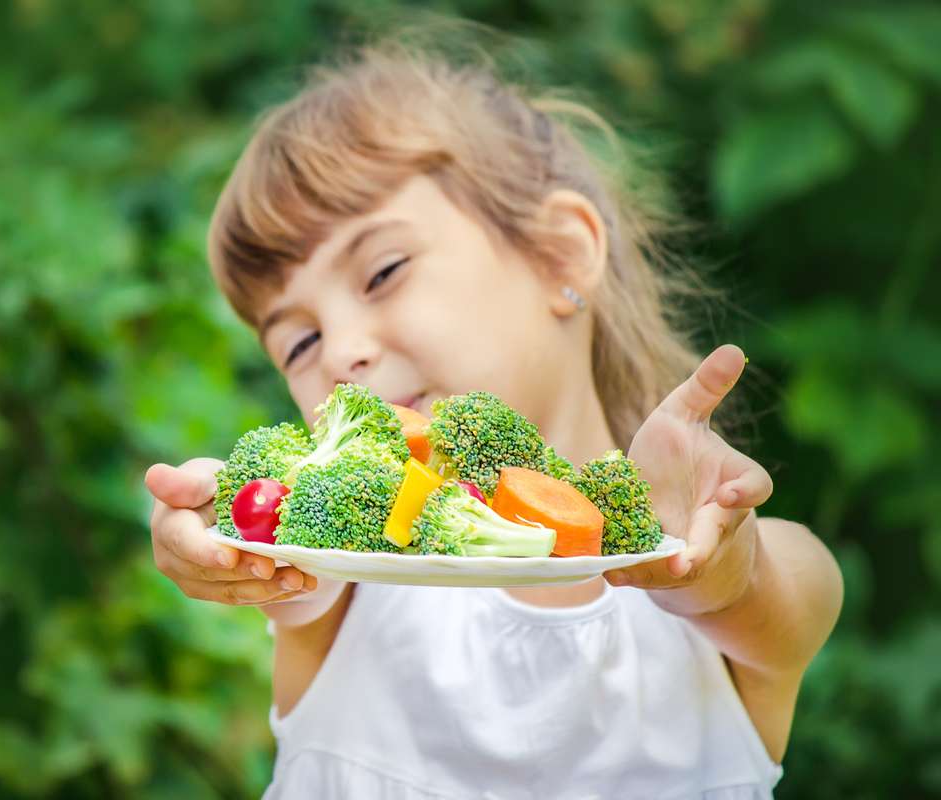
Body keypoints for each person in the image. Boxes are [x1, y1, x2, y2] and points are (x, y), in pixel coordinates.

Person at [144, 34, 843, 800]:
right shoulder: (336, 590)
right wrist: (230, 529)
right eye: (300, 341)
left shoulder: (739, 582)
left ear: (560, 254)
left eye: (382, 271)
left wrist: (712, 564)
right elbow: (293, 577)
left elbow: (774, 589)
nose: (341, 352)